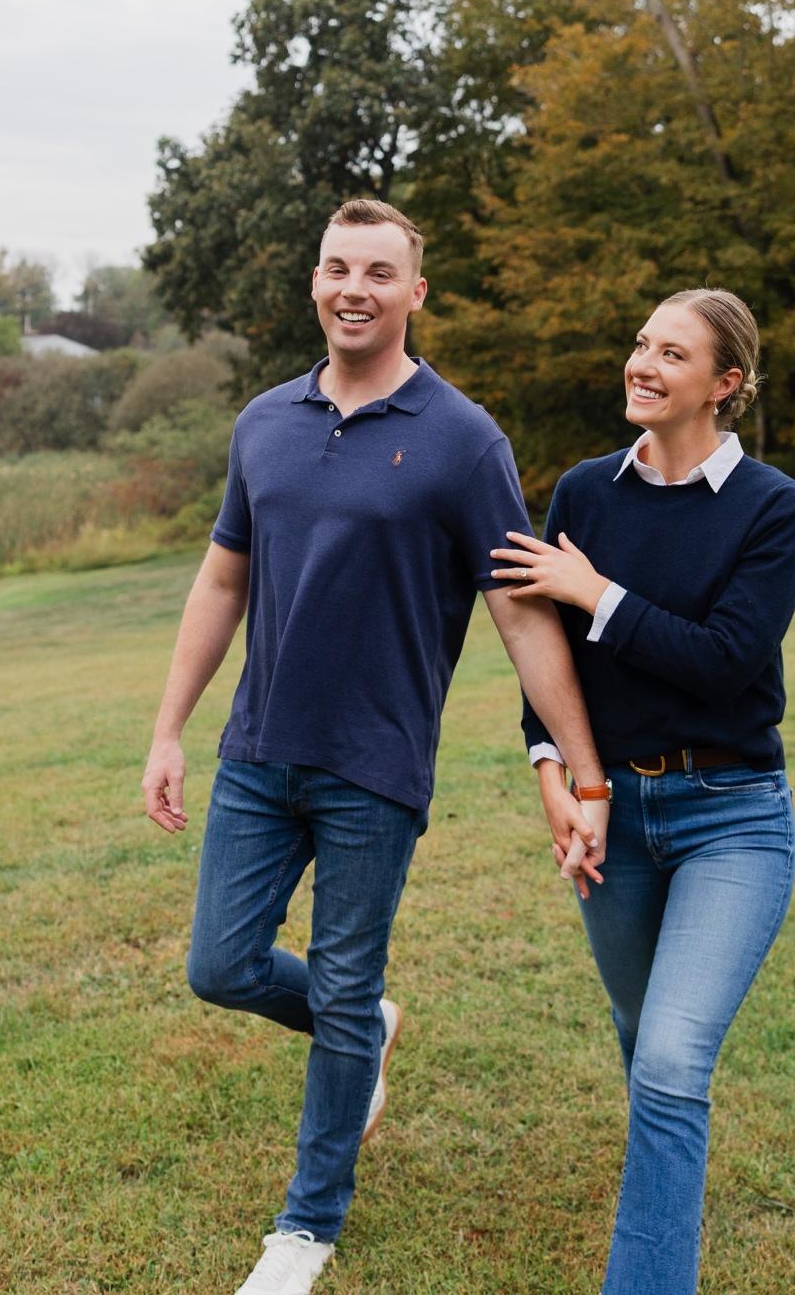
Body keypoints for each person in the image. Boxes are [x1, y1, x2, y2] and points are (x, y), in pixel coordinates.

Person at [142, 198, 608, 1295]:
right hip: (259, 749)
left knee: (342, 985)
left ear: (414, 292)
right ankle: (369, 1026)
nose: (354, 289)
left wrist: (582, 770)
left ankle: (304, 1229)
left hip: (376, 765)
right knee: (220, 965)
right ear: (315, 281)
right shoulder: (264, 421)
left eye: (379, 272)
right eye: (337, 268)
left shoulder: (462, 438)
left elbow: (520, 615)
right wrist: (168, 728)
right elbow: (222, 578)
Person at [491, 288, 795, 1294]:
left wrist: (596, 591)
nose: (642, 363)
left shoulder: (773, 507)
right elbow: (546, 656)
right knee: (646, 1045)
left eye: (672, 353)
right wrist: (552, 769)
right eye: (640, 343)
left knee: (671, 1061)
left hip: (732, 816)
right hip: (611, 820)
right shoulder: (584, 493)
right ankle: (666, 1188)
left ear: (724, 383)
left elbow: (722, 662)